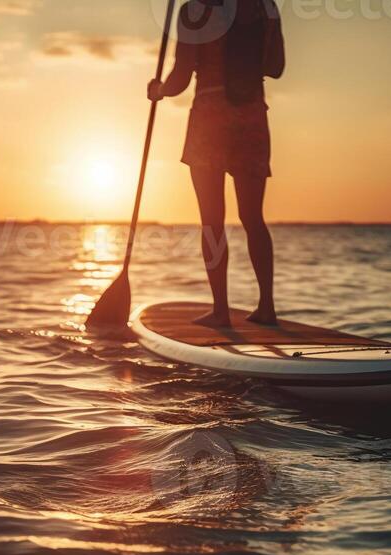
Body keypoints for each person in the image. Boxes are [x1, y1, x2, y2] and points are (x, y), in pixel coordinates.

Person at [148, 0, 285, 327]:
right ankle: (266, 307)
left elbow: (181, 77)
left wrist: (159, 90)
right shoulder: (267, 7)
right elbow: (276, 67)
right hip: (252, 117)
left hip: (210, 118)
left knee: (212, 220)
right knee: (253, 217)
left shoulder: (195, 10)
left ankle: (220, 311)